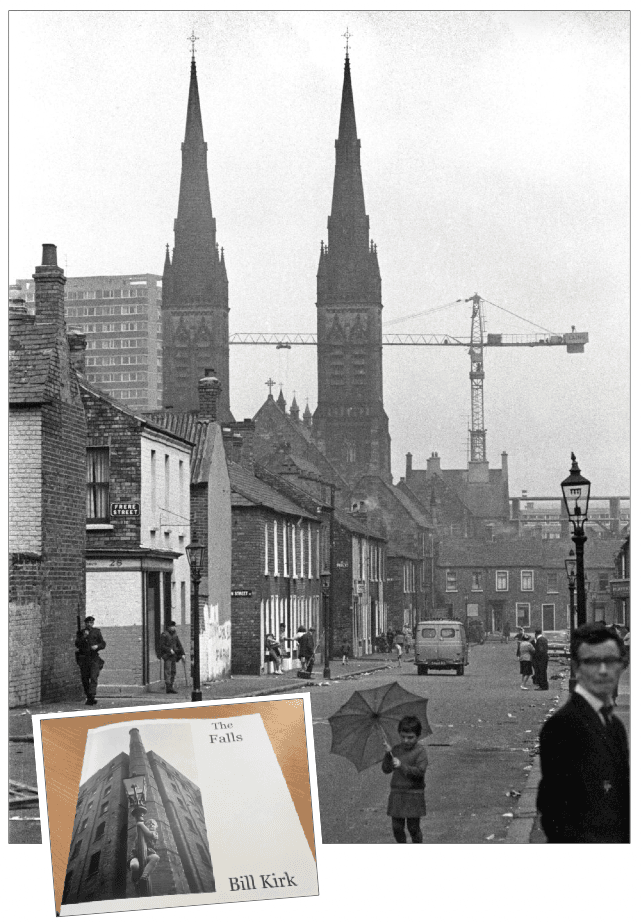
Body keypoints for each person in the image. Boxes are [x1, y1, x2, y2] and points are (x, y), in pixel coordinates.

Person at [537, 623, 629, 843]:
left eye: (611, 661)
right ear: (576, 666)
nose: (603, 670)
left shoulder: (614, 725)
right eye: (592, 661)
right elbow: (556, 814)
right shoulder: (562, 727)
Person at [382, 715, 428, 843]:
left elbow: (419, 771)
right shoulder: (396, 750)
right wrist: (388, 754)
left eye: (410, 737)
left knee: (413, 827)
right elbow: (386, 769)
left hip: (414, 794)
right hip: (397, 793)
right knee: (397, 828)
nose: (406, 740)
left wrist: (402, 766)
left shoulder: (420, 751)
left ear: (417, 736)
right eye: (403, 737)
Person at [75, 615, 106, 705]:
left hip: (94, 657)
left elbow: (103, 643)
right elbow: (77, 644)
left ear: (93, 623)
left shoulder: (96, 632)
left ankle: (92, 696)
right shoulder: (80, 633)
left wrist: (97, 646)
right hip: (84, 658)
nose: (89, 624)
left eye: (91, 623)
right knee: (85, 678)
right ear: (85, 623)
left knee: (93, 677)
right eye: (87, 623)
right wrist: (84, 637)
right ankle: (88, 696)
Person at [129, 818, 161, 884]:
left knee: (155, 857)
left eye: (153, 824)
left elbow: (148, 833)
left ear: (156, 827)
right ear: (146, 826)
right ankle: (134, 875)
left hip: (148, 854)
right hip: (136, 854)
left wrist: (141, 824)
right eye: (148, 824)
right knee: (134, 866)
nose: (151, 825)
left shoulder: (155, 833)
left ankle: (144, 876)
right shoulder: (140, 833)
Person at [159, 621, 185, 693]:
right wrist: (169, 650)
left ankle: (171, 685)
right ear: (168, 627)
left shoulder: (175, 634)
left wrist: (183, 654)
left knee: (173, 671)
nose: (173, 628)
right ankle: (168, 687)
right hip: (167, 655)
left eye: (174, 626)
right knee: (168, 671)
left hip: (174, 655)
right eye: (172, 626)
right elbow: (161, 646)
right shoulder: (164, 635)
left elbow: (179, 644)